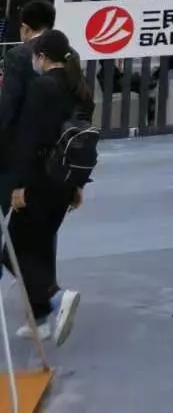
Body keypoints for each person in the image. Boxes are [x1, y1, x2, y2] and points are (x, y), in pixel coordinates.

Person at [6, 29, 93, 346]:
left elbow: (29, 138)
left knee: (13, 250)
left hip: (40, 179)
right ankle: (40, 320)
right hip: (66, 180)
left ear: (42, 57)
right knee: (39, 246)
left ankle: (55, 298)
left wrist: (19, 185)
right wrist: (77, 185)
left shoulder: (41, 87)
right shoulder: (78, 88)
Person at [0, 1, 56, 211]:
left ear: (25, 27)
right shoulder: (69, 53)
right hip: (55, 150)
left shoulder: (18, 55)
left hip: (19, 150)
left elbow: (9, 106)